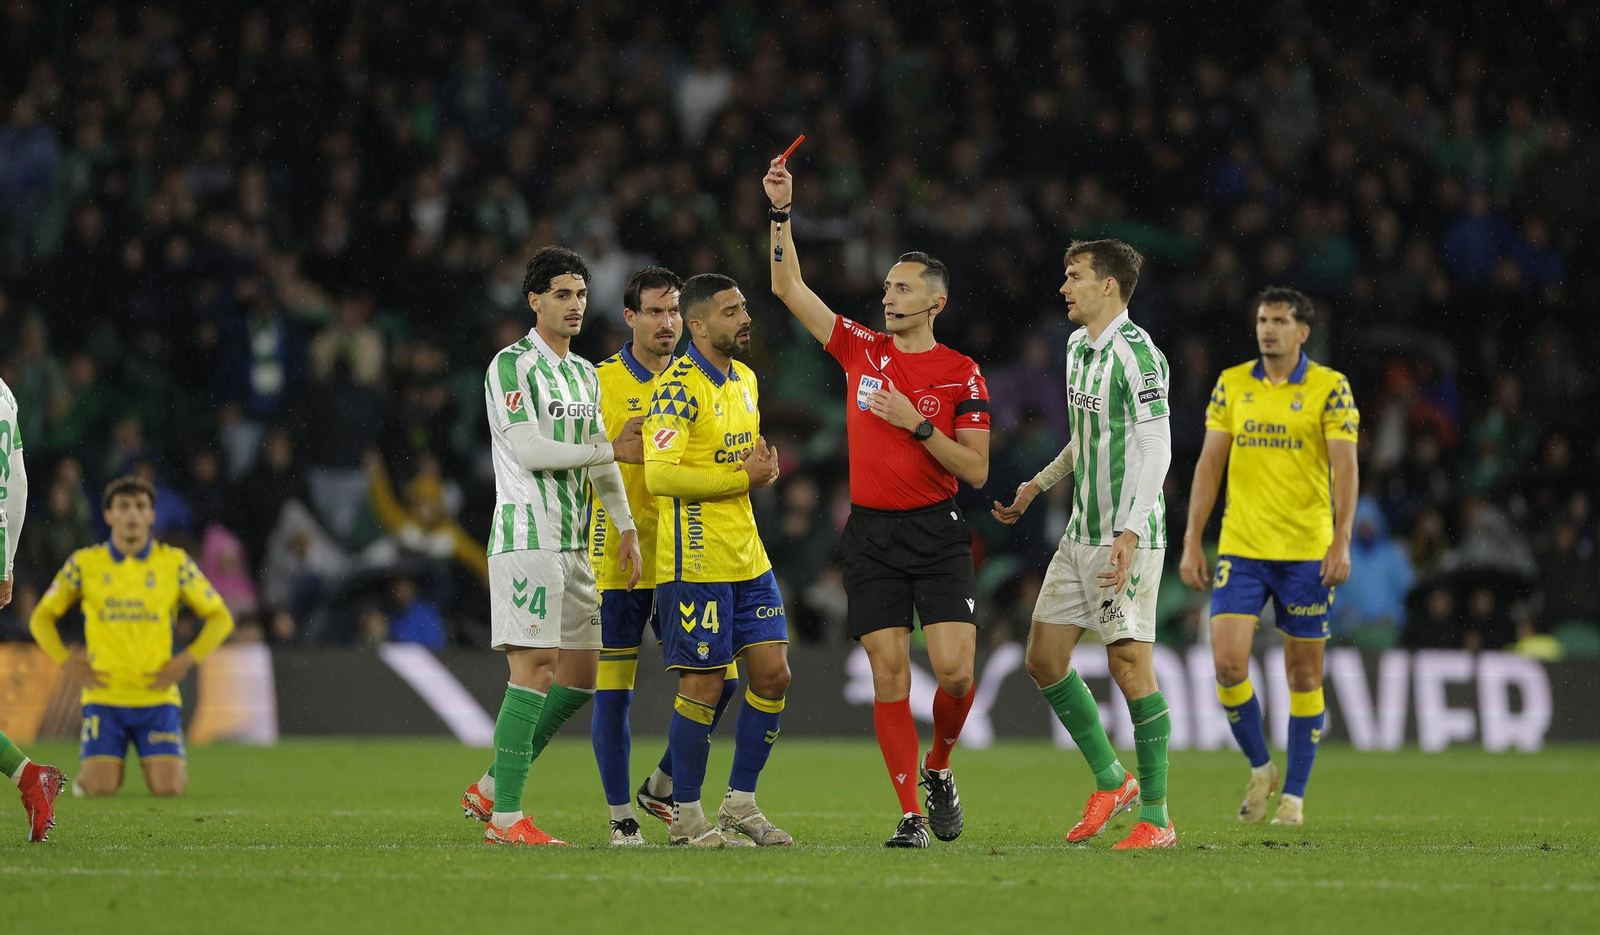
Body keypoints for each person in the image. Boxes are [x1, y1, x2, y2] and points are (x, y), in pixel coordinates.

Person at [764, 158, 990, 848]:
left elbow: (975, 470)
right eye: (887, 286)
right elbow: (787, 285)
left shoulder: (960, 373)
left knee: (954, 671)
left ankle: (940, 765)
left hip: (937, 530)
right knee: (890, 673)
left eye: (901, 289)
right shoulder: (859, 348)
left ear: (934, 302)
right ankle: (910, 815)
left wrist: (914, 422)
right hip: (871, 536)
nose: (886, 296)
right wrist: (780, 212)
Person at [992, 239, 1177, 849]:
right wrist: (1036, 485)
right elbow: (1087, 439)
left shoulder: (1140, 356)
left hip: (1129, 536)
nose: (1064, 288)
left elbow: (1157, 450)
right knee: (1044, 658)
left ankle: (1156, 816)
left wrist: (1128, 532)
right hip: (1079, 534)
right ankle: (1110, 777)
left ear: (1108, 287)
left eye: (1074, 277)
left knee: (1129, 666)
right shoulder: (1076, 348)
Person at [458, 246, 644, 846]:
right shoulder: (510, 367)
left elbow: (601, 460)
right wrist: (609, 449)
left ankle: (491, 784)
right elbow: (533, 452)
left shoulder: (585, 374)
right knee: (533, 670)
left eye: (581, 295)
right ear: (534, 300)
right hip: (526, 536)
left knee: (581, 677)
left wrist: (625, 526)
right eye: (562, 295)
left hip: (576, 544)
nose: (574, 305)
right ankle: (506, 819)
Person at [1177, 286, 1359, 827]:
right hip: (1243, 547)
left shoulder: (1330, 388)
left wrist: (1341, 538)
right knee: (1228, 662)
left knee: (1303, 677)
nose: (1268, 329)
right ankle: (1261, 766)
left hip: (1306, 553)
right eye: (1262, 319)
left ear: (1303, 331)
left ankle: (1294, 798)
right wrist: (1192, 538)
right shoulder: (1233, 384)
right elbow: (1210, 466)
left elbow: (1345, 468)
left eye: (1280, 320)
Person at [588, 266, 742, 846]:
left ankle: (660, 786)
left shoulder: (698, 378)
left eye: (674, 311)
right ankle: (620, 813)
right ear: (630, 317)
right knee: (615, 692)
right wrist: (610, 449)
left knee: (722, 682)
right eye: (654, 311)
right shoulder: (600, 382)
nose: (667, 323)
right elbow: (577, 460)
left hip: (688, 556)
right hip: (617, 556)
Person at [644, 273, 789, 847]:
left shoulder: (747, 379)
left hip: (747, 554)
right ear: (697, 326)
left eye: (744, 306)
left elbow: (739, 464)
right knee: (703, 687)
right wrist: (740, 476)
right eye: (730, 312)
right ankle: (684, 815)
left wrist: (760, 471)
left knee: (774, 675)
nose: (744, 318)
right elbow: (659, 474)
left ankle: (741, 803)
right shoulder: (678, 386)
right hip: (695, 561)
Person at [29, 476, 235, 798]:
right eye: (123, 506)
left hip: (156, 697)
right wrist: (66, 662)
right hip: (104, 696)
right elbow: (40, 618)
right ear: (108, 515)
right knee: (101, 788)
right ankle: (90, 778)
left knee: (169, 788)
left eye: (140, 506)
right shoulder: (84, 564)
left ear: (152, 515)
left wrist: (185, 661)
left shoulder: (174, 563)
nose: (132, 514)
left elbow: (221, 617)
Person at [0, 376, 65, 841]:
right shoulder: (4, 394)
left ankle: (30, 778)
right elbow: (16, 484)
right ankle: (30, 778)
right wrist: (6, 559)